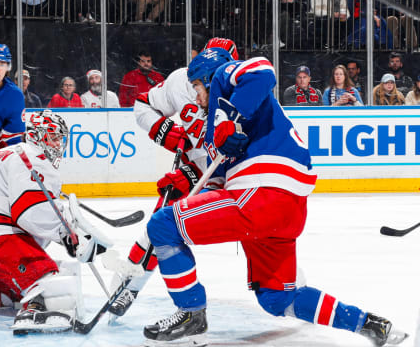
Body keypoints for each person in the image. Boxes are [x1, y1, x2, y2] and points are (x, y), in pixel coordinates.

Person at [140, 48, 409, 347]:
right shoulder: (212, 129)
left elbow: (263, 71)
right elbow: (216, 184)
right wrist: (190, 185)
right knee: (277, 297)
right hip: (285, 212)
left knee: (162, 225)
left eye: (197, 88)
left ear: (207, 77)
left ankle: (190, 313)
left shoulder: (224, 81)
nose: (198, 98)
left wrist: (229, 115)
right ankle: (367, 323)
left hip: (259, 194)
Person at [108, 38, 240, 319]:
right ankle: (128, 287)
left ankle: (283, 288)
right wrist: (166, 130)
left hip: (232, 183)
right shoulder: (182, 80)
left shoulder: (243, 97)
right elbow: (142, 105)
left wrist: (194, 175)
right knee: (159, 227)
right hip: (197, 172)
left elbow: (233, 162)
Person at [0, 110, 110, 333]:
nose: (59, 143)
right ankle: (35, 308)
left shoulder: (7, 154)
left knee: (16, 280)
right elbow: (30, 210)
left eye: (60, 138)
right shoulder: (34, 157)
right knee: (45, 275)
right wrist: (68, 235)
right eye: (54, 137)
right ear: (38, 136)